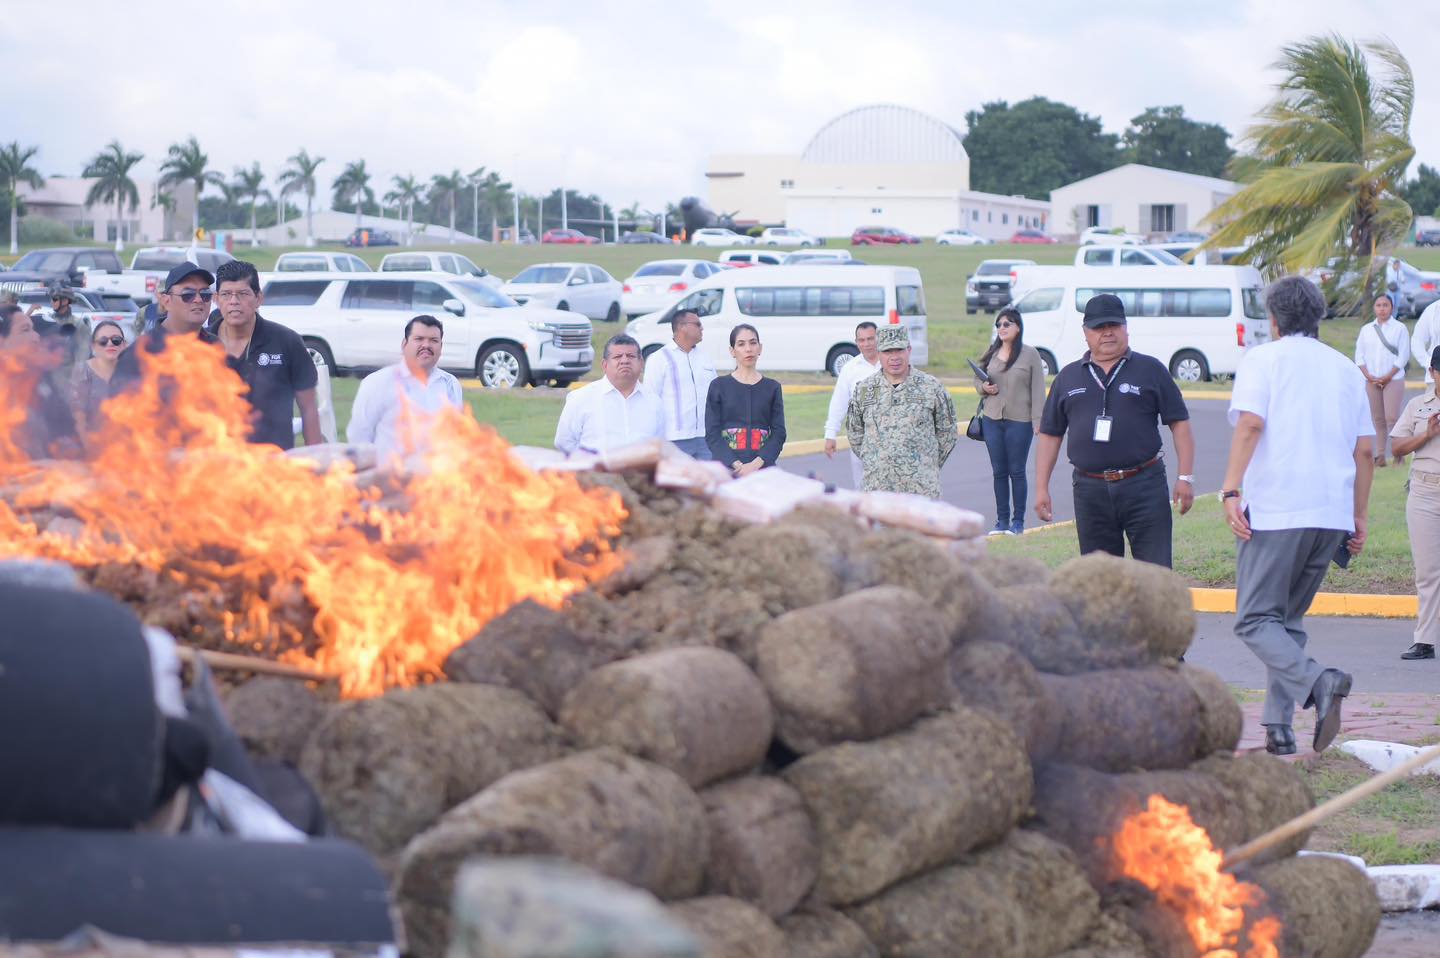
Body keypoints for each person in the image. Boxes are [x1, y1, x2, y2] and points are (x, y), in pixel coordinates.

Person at [1221, 275, 1373, 755]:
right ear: (1318, 316)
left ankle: (1318, 682)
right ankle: (1279, 729)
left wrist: (1229, 489)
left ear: (1273, 319)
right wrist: (1359, 517)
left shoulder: (1262, 359)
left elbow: (1250, 424)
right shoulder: (1346, 368)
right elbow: (1365, 450)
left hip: (1279, 507)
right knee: (1286, 621)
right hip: (1331, 513)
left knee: (1253, 619)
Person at [1034, 294, 1195, 567]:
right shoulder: (1068, 377)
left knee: (1154, 575)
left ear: (1125, 327)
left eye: (1114, 325)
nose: (1107, 332)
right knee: (1100, 579)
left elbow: (1180, 424)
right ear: (1085, 333)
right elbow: (1051, 434)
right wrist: (1041, 488)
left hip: (1144, 484)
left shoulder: (1150, 370)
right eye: (1098, 327)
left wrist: (1185, 477)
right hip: (1089, 490)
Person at [212, 260, 321, 450]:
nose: (234, 302)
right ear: (216, 299)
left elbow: (309, 408)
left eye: (243, 294)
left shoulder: (287, 342)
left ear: (258, 298)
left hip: (273, 465)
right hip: (219, 464)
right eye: (226, 294)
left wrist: (316, 457)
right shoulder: (201, 345)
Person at [846, 324, 957, 499]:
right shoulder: (864, 390)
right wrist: (878, 459)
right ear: (878, 353)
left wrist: (924, 464)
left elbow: (947, 432)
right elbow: (855, 434)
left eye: (899, 350)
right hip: (878, 488)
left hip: (922, 488)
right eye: (888, 352)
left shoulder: (931, 387)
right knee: (880, 528)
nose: (894, 357)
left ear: (909, 350)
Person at [347, 314, 464, 459]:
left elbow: (455, 436)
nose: (426, 345)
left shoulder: (450, 384)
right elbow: (359, 438)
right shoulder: (378, 383)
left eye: (433, 340)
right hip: (391, 475)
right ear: (404, 344)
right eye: (419, 339)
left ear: (441, 346)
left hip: (437, 477)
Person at [973, 307, 1047, 536]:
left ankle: (1018, 522)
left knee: (1017, 471)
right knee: (998, 471)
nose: (1001, 328)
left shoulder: (1030, 354)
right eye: (998, 325)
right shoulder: (992, 353)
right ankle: (1001, 521)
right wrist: (983, 387)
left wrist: (1038, 420)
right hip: (992, 419)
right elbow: (977, 380)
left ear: (1018, 326)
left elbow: (1037, 389)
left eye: (1006, 324)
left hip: (1020, 421)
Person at [1389, 346, 1440, 661]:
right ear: (1433, 372)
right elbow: (1396, 448)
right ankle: (1424, 640)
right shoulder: (1418, 406)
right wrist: (1426, 435)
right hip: (1424, 493)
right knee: (1428, 571)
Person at [112, 261, 221, 388]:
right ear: (166, 301)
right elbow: (119, 404)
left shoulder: (216, 347)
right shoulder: (140, 353)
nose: (198, 300)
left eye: (205, 294)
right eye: (188, 295)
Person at [554, 334, 664, 455]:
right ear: (604, 365)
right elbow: (564, 442)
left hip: (641, 472)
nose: (624, 361)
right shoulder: (580, 398)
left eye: (631, 356)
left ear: (641, 363)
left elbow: (661, 446)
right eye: (617, 357)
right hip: (595, 472)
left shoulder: (654, 402)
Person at [705, 323, 786, 474]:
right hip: (727, 469)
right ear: (732, 351)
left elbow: (779, 433)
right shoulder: (718, 386)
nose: (748, 349)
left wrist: (755, 465)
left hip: (763, 468)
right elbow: (712, 433)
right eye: (741, 344)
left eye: (753, 343)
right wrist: (737, 465)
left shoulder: (772, 387)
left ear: (760, 348)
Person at [643, 308, 715, 459]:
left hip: (706, 437)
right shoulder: (659, 359)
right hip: (674, 439)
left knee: (708, 481)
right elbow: (650, 401)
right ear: (682, 327)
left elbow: (715, 396)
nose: (702, 328)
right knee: (678, 482)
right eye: (697, 324)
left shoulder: (705, 358)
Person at [1354, 294, 1410, 466]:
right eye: (1378, 305)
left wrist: (1387, 376)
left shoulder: (1399, 328)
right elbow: (1359, 355)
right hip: (1371, 380)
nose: (1382, 308)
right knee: (1377, 419)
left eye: (1385, 305)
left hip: (1393, 379)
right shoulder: (1366, 330)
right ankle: (1380, 456)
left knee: (1392, 418)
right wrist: (1368, 375)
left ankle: (1397, 454)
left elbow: (1403, 356)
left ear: (1391, 307)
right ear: (1374, 308)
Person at [824, 321, 881, 488]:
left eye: (870, 339)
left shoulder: (891, 363)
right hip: (861, 441)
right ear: (856, 342)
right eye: (861, 340)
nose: (866, 344)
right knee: (863, 488)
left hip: (891, 438)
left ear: (879, 339)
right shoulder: (850, 369)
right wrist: (830, 435)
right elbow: (839, 402)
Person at [70, 319, 125, 434]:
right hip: (92, 440)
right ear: (93, 346)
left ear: (124, 345)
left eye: (116, 340)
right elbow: (77, 417)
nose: (110, 344)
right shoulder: (82, 371)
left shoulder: (131, 371)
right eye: (103, 341)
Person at [44, 284, 90, 376]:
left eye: (55, 299)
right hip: (48, 371)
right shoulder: (47, 320)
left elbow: (83, 351)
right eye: (51, 299)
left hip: (68, 372)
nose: (52, 302)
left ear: (65, 301)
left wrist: (78, 372)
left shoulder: (78, 324)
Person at [1413, 297, 1440, 390]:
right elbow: (1417, 340)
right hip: (1436, 379)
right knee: (1433, 404)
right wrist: (1429, 362)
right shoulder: (1433, 310)